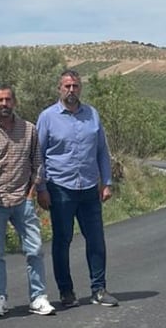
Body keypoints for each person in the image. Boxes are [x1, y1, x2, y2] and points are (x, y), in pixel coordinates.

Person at [36, 70, 118, 308]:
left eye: (75, 86)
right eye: (67, 86)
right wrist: (41, 188)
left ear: (80, 88)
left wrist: (107, 182)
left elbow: (102, 150)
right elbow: (38, 155)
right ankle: (66, 292)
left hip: (89, 187)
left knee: (96, 240)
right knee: (62, 241)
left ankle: (99, 289)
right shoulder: (48, 117)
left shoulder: (92, 115)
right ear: (59, 89)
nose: (71, 90)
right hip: (60, 187)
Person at [0, 85, 56, 317]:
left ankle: (38, 297)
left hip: (23, 200)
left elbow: (37, 162)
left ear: (15, 102)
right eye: (0, 100)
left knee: (35, 249)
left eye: (8, 100)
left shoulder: (29, 130)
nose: (4, 104)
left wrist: (34, 191)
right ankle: (0, 298)